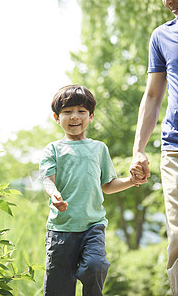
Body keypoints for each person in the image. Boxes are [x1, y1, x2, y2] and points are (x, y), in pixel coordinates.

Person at [39, 84, 144, 296]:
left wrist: (131, 181)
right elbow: (47, 180)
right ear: (56, 117)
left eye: (81, 111)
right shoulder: (53, 149)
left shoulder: (99, 148)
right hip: (61, 229)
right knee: (58, 288)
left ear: (91, 116)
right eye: (67, 112)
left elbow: (107, 185)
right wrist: (54, 194)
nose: (74, 117)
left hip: (92, 226)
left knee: (95, 265)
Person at [130, 0, 178, 295]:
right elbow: (152, 96)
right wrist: (139, 148)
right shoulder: (162, 35)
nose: (166, 0)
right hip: (175, 148)